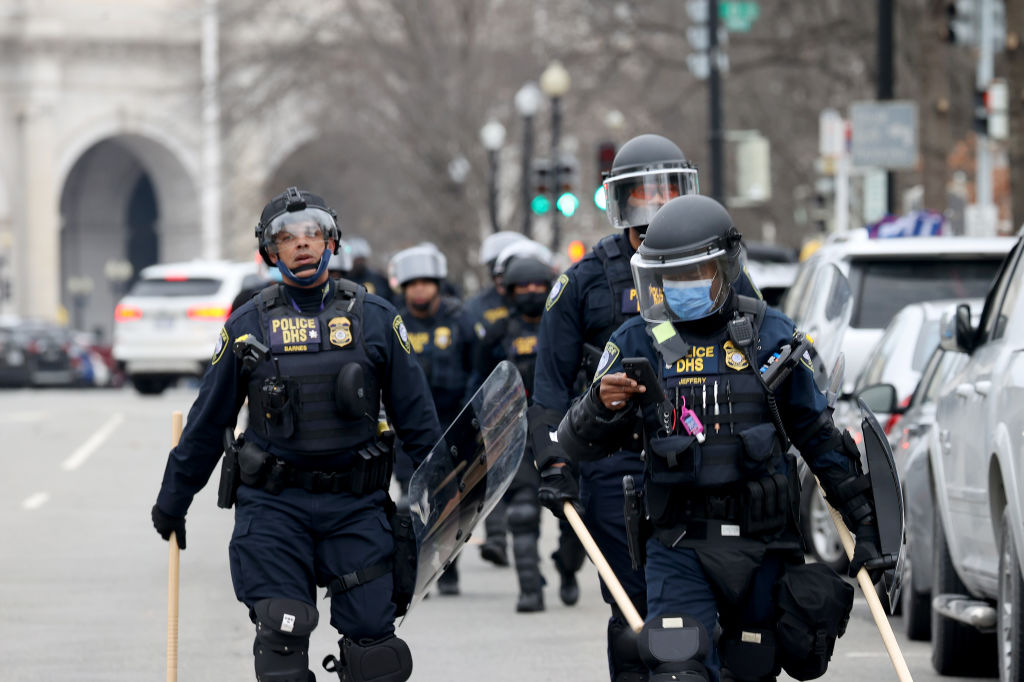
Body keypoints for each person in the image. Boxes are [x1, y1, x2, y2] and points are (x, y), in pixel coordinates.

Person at [556, 194, 886, 682]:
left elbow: (820, 440)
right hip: (678, 545)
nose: (683, 286)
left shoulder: (773, 336)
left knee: (749, 671)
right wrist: (599, 406)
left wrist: (868, 524)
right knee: (676, 668)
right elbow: (577, 444)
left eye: (695, 273)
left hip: (764, 546)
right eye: (672, 276)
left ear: (724, 267)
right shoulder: (635, 342)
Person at [150, 187, 440, 682]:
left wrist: (452, 491)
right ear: (269, 253)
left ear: (331, 242)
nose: (301, 245)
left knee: (376, 652)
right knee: (283, 636)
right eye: (287, 238)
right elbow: (206, 423)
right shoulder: (246, 326)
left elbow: (420, 422)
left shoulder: (376, 319)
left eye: (311, 234)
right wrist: (173, 500)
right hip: (274, 507)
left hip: (356, 506)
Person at [531, 133, 724, 682]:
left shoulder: (715, 266)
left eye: (668, 191)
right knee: (635, 612)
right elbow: (548, 387)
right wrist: (554, 463)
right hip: (617, 464)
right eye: (643, 194)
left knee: (708, 611)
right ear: (621, 202)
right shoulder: (582, 282)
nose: (656, 205)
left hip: (703, 459)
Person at [468, 255, 555, 613]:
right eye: (524, 287)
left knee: (577, 514)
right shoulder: (498, 333)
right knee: (523, 512)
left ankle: (566, 567)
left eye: (538, 286)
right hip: (515, 431)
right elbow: (479, 382)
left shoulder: (561, 327)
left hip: (560, 428)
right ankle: (530, 589)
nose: (531, 293)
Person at [389, 243, 473, 595]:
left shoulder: (459, 318)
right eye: (413, 284)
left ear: (438, 284)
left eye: (426, 282)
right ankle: (414, 574)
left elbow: (477, 366)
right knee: (412, 503)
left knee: (449, 502)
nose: (420, 289)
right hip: (406, 429)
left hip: (452, 422)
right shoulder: (393, 322)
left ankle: (448, 568)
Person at [346, 236, 397, 304]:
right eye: (356, 259)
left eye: (361, 259)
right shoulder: (343, 279)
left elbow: (391, 299)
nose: (358, 262)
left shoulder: (378, 278)